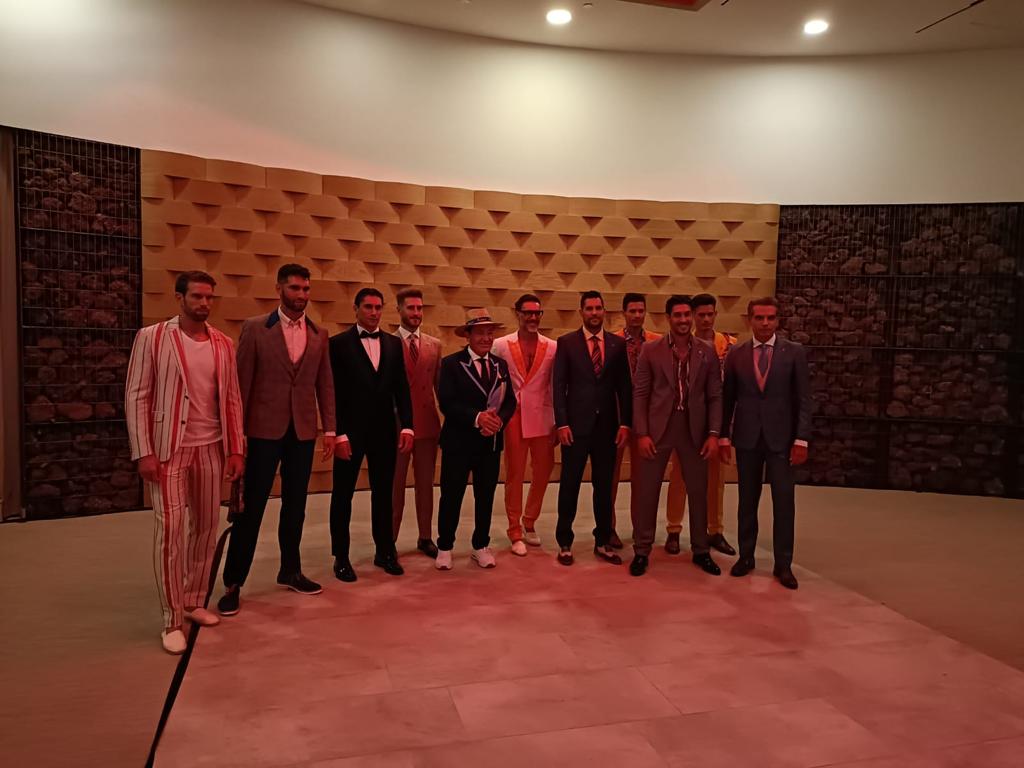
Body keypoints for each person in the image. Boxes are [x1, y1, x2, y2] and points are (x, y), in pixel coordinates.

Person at [126, 270, 245, 653]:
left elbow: (231, 398)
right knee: (171, 532)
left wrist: (236, 448)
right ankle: (172, 618)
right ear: (179, 298)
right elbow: (137, 396)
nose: (204, 303)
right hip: (168, 450)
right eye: (197, 296)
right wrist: (143, 450)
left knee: (207, 527)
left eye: (209, 297)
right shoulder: (153, 337)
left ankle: (194, 601)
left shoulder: (223, 343)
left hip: (211, 447)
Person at [218, 264, 336, 617]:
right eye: (295, 288)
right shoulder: (255, 328)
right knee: (251, 508)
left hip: (302, 432)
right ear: (279, 289)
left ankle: (291, 570)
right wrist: (236, 437)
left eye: (306, 289)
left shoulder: (319, 333)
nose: (301, 295)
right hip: (262, 431)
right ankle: (233, 582)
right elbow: (240, 386)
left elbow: (325, 385)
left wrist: (330, 429)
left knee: (296, 506)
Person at [719, 296, 811, 590]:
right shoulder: (736, 353)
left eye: (770, 318)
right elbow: (728, 399)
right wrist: (723, 435)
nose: (765, 323)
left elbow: (804, 399)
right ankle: (746, 556)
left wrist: (801, 439)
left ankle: (783, 564)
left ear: (778, 320)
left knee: (783, 502)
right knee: (747, 500)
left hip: (782, 439)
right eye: (759, 318)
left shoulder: (793, 352)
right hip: (747, 438)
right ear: (750, 320)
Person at [629, 295, 723, 577]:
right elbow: (640, 394)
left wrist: (713, 434)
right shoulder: (651, 350)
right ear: (668, 318)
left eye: (686, 315)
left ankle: (701, 550)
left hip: (695, 430)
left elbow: (715, 396)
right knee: (647, 492)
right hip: (658, 429)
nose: (683, 320)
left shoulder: (707, 351)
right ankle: (641, 550)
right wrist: (642, 433)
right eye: (677, 315)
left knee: (698, 491)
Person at [329, 287, 414, 582]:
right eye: (368, 307)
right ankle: (341, 556)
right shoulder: (337, 344)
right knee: (343, 494)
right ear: (356, 309)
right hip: (349, 434)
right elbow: (332, 394)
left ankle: (385, 551)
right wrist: (338, 433)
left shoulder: (393, 344)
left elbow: (401, 387)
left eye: (378, 307)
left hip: (384, 432)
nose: (374, 312)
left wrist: (407, 425)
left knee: (383, 493)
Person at [552, 291, 632, 567]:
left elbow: (624, 387)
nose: (594, 313)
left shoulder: (617, 345)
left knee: (604, 486)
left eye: (598, 308)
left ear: (604, 311)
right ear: (581, 312)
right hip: (574, 427)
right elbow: (558, 386)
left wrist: (625, 423)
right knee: (569, 484)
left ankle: (603, 540)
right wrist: (561, 422)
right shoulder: (566, 343)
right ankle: (565, 541)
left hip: (607, 428)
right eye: (589, 308)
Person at [435, 309, 517, 570]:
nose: (486, 338)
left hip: (489, 443)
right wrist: (477, 417)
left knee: (485, 496)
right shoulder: (451, 364)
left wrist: (498, 421)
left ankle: (481, 545)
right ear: (468, 335)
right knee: (451, 495)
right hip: (458, 443)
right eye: (480, 333)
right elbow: (447, 402)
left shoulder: (500, 365)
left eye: (490, 333)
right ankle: (445, 546)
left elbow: (510, 401)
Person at [612, 292, 687, 552]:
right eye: (632, 311)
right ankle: (609, 528)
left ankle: (640, 528)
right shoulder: (613, 342)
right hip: (617, 416)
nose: (636, 315)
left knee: (643, 478)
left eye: (640, 311)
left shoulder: (657, 342)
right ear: (624, 313)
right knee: (610, 476)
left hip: (647, 418)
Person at [669, 293, 738, 556]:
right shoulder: (684, 345)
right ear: (693, 317)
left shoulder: (729, 345)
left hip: (717, 420)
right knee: (679, 476)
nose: (706, 319)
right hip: (686, 420)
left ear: (716, 314)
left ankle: (715, 530)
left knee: (716, 479)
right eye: (701, 315)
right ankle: (674, 529)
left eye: (710, 314)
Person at [491, 294, 557, 556]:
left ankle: (530, 521)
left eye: (536, 313)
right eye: (527, 312)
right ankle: (514, 529)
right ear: (517, 313)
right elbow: (493, 383)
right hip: (514, 416)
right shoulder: (500, 345)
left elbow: (556, 385)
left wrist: (558, 420)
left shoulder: (552, 347)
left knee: (543, 471)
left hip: (543, 416)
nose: (532, 317)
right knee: (515, 474)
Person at [391, 288, 442, 558]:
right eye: (410, 308)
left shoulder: (435, 345)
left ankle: (425, 536)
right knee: (394, 486)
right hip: (396, 427)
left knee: (426, 486)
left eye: (419, 308)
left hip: (427, 425)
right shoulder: (387, 343)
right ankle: (389, 539)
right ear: (399, 309)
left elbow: (440, 389)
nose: (416, 313)